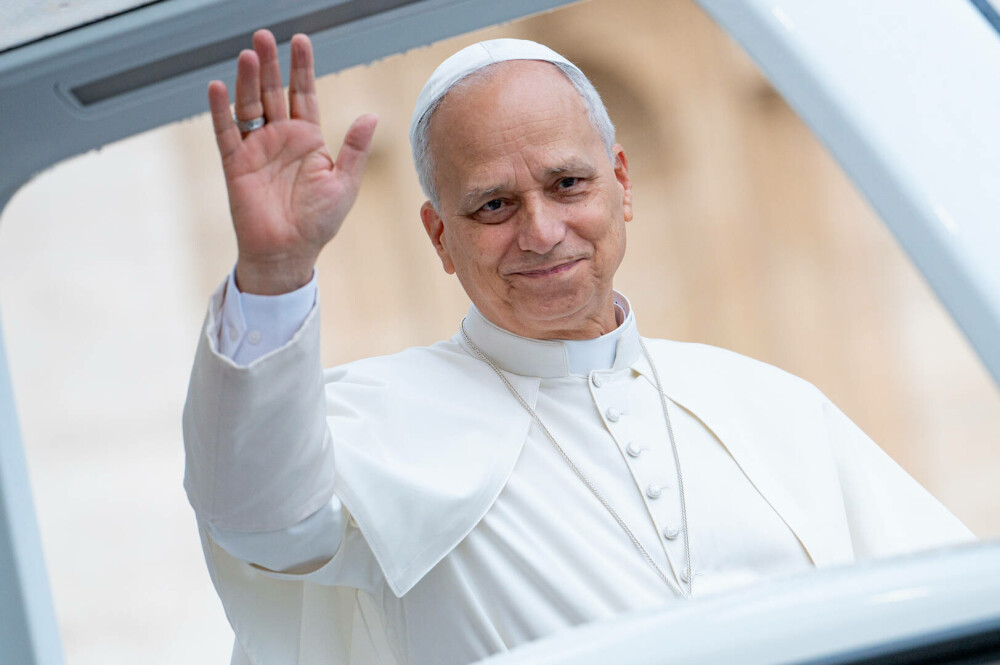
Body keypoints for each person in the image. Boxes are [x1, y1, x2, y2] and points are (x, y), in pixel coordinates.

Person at [183, 29, 973, 665]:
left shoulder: (766, 402)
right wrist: (276, 270)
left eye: (567, 185)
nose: (541, 231)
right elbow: (261, 522)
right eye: (493, 204)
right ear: (440, 237)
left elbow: (953, 609)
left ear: (620, 183)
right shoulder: (378, 421)